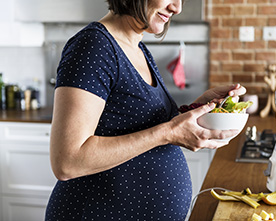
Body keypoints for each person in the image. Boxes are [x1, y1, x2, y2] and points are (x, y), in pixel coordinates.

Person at [45, 0, 247, 220]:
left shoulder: (138, 48)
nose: (177, 8)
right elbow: (67, 161)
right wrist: (168, 132)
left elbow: (142, 125)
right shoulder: (93, 46)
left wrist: (200, 108)